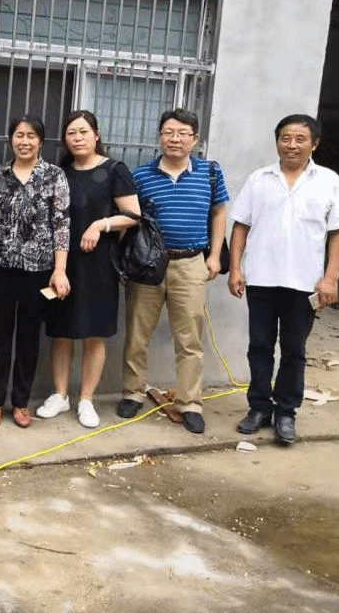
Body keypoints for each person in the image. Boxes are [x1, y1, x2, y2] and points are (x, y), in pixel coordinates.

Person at [228, 114, 339, 445]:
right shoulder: (259, 179)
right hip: (261, 279)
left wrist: (331, 278)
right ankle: (259, 408)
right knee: (259, 347)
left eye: (300, 139)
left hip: (304, 283)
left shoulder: (328, 181)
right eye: (285, 138)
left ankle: (286, 412)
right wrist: (236, 268)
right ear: (277, 142)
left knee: (294, 351)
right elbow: (240, 225)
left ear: (314, 144)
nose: (292, 145)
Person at [119, 109, 228, 434]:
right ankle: (132, 393)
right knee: (137, 334)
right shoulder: (141, 175)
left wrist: (215, 256)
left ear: (195, 139)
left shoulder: (210, 172)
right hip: (148, 265)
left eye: (182, 133)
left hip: (191, 263)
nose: (175, 139)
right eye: (168, 132)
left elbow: (219, 212)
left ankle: (190, 403)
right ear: (160, 137)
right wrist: (125, 262)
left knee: (190, 339)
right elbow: (129, 219)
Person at [40, 111, 140, 429]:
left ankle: (86, 399)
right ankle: (60, 395)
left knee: (94, 333)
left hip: (99, 264)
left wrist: (101, 224)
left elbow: (133, 215)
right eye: (71, 132)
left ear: (96, 134)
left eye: (84, 131)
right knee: (61, 331)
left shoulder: (114, 170)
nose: (78, 138)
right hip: (60, 263)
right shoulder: (60, 173)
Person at [0, 116, 70, 429]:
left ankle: (20, 402)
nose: (24, 141)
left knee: (29, 337)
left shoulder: (54, 176)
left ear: (40, 141)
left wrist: (59, 270)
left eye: (30, 136)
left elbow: (61, 225)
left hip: (38, 270)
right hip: (0, 265)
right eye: (18, 135)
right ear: (11, 138)